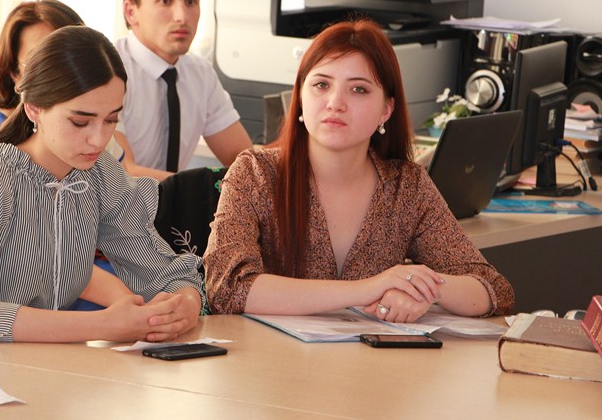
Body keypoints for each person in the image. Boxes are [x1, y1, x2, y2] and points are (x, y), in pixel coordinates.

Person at [203, 19, 515, 323]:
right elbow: (227, 289)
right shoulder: (255, 173)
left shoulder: (406, 186)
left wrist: (419, 287)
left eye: (358, 89)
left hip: (369, 357)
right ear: (300, 97)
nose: (335, 103)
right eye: (321, 85)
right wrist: (367, 289)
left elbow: (493, 289)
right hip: (269, 356)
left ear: (386, 110)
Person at [0, 25, 204, 346]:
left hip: (53, 366)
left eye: (111, 119)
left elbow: (162, 272)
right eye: (80, 122)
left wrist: (186, 304)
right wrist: (101, 325)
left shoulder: (100, 173)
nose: (99, 139)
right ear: (33, 108)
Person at [0, 0, 151, 179]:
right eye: (43, 60)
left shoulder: (99, 133)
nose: (96, 139)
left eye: (72, 59)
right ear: (15, 74)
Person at [115, 0, 252, 176]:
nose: (182, 16)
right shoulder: (109, 72)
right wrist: (197, 190)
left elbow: (245, 163)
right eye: (165, 1)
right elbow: (123, 175)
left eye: (190, 1)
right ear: (131, 12)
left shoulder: (200, 73)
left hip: (173, 197)